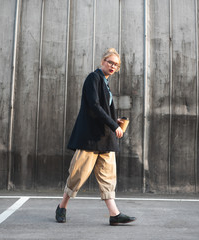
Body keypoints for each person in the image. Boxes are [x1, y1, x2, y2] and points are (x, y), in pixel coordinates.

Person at [55, 48, 136, 226]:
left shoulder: (105, 83)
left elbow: (102, 110)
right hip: (90, 138)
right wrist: (115, 126)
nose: (113, 66)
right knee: (78, 175)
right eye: (110, 62)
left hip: (105, 139)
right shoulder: (93, 78)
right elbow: (93, 106)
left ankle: (114, 214)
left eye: (116, 64)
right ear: (102, 61)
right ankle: (62, 207)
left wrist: (114, 120)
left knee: (108, 177)